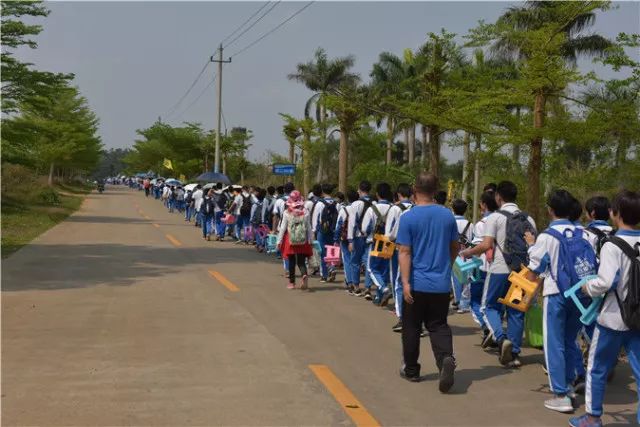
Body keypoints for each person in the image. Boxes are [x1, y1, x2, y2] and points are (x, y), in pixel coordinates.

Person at [570, 190, 640, 427]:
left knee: (597, 369)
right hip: (637, 319)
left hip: (612, 318)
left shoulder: (612, 245)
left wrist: (588, 287)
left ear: (616, 214)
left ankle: (592, 417)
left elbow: (605, 281)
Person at [525, 190, 598, 413]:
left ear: (551, 210)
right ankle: (571, 380)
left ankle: (561, 394)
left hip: (556, 294)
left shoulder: (547, 236)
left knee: (554, 343)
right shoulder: (585, 234)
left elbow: (534, 270)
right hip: (581, 294)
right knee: (569, 339)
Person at [460, 181, 537, 367]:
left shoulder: (495, 218)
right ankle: (515, 354)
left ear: (498, 197)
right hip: (523, 272)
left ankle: (502, 340)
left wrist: (468, 252)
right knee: (516, 310)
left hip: (500, 270)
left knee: (489, 307)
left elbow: (486, 245)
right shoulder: (529, 219)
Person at [396, 172, 458, 393]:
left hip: (416, 282)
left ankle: (412, 370)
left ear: (414, 190)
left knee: (411, 327)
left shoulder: (408, 218)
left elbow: (404, 251)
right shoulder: (447, 216)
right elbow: (454, 247)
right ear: (436, 190)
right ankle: (445, 359)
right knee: (438, 325)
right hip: (440, 283)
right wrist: (447, 266)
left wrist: (405, 283)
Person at [471, 192, 498, 344]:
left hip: (482, 266)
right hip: (500, 268)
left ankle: (487, 327)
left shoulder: (482, 224)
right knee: (494, 302)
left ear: (483, 204)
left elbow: (479, 245)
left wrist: (468, 252)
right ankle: (495, 328)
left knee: (476, 300)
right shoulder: (503, 220)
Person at [386, 183, 413, 330]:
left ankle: (402, 317)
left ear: (398, 194)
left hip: (402, 249)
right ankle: (417, 321)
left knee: (399, 282)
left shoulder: (397, 210)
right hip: (421, 253)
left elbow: (391, 234)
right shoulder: (436, 211)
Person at [362, 182, 394, 305]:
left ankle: (384, 289)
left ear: (377, 194)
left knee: (372, 269)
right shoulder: (393, 207)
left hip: (374, 240)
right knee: (384, 270)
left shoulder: (372, 209)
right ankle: (379, 297)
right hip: (388, 240)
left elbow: (365, 228)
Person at [277, 190, 313, 290]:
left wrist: (279, 241)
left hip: (290, 239)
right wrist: (311, 240)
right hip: (302, 238)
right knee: (301, 261)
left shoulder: (287, 212)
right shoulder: (305, 211)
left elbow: (283, 228)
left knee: (291, 261)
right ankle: (304, 274)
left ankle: (292, 283)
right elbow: (309, 227)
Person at [347, 181, 374, 297]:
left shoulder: (356, 204)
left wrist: (350, 240)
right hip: (371, 237)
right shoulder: (375, 203)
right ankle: (367, 288)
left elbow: (352, 223)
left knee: (355, 262)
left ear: (360, 190)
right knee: (368, 262)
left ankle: (356, 286)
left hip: (358, 236)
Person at [312, 184, 339, 282]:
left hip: (322, 230)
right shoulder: (337, 204)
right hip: (333, 230)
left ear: (322, 191)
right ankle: (332, 268)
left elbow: (315, 218)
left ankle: (324, 275)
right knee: (331, 250)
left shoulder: (319, 203)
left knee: (322, 252)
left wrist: (314, 231)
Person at [451, 199, 474, 314]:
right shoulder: (470, 225)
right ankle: (465, 303)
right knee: (467, 281)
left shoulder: (450, 222)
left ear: (453, 209)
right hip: (468, 255)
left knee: (455, 280)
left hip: (454, 255)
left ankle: (458, 301)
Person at [335, 190, 358, 293]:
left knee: (347, 260)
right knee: (356, 260)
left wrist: (336, 239)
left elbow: (339, 225)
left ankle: (350, 282)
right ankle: (357, 282)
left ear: (348, 199)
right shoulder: (363, 207)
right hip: (359, 237)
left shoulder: (344, 209)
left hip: (345, 238)